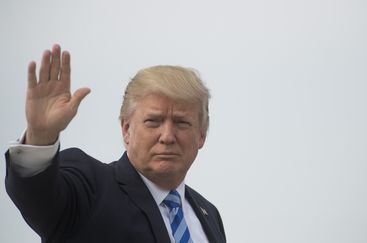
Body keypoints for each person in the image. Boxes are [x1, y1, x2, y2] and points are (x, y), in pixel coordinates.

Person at [5, 44, 226, 243]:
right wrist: (40, 136)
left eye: (181, 122)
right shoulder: (89, 189)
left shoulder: (208, 214)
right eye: (153, 121)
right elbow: (38, 197)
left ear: (202, 135)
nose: (167, 136)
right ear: (126, 129)